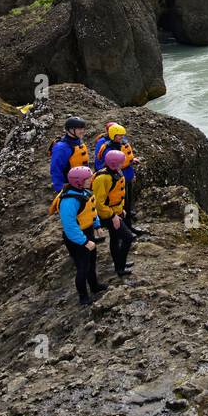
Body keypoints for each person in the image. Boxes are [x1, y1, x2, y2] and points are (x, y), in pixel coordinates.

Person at [53, 165, 107, 306]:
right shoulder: (69, 201)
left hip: (87, 231)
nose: (91, 180)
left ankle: (94, 286)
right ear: (78, 181)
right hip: (76, 238)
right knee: (82, 266)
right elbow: (70, 226)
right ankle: (83, 297)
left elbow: (91, 210)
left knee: (92, 261)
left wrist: (97, 225)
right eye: (87, 179)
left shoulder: (83, 192)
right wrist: (84, 242)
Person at [93, 123, 145, 236]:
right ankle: (124, 230)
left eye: (122, 136)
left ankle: (128, 227)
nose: (122, 138)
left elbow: (126, 158)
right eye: (119, 136)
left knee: (127, 203)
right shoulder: (104, 145)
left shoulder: (121, 141)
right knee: (121, 204)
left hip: (126, 175)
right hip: (117, 178)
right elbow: (101, 163)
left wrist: (131, 168)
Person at [92, 149, 135, 278]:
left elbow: (117, 195)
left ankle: (119, 265)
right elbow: (99, 204)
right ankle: (120, 266)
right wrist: (112, 216)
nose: (124, 163)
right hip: (107, 215)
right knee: (128, 237)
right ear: (114, 164)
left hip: (115, 212)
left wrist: (121, 209)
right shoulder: (103, 178)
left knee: (115, 239)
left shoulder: (116, 172)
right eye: (121, 162)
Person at [50, 116, 90, 192]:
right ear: (70, 130)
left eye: (83, 128)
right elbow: (56, 170)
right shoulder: (61, 148)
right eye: (79, 129)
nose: (82, 131)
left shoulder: (79, 143)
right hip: (69, 186)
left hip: (82, 183)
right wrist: (60, 189)